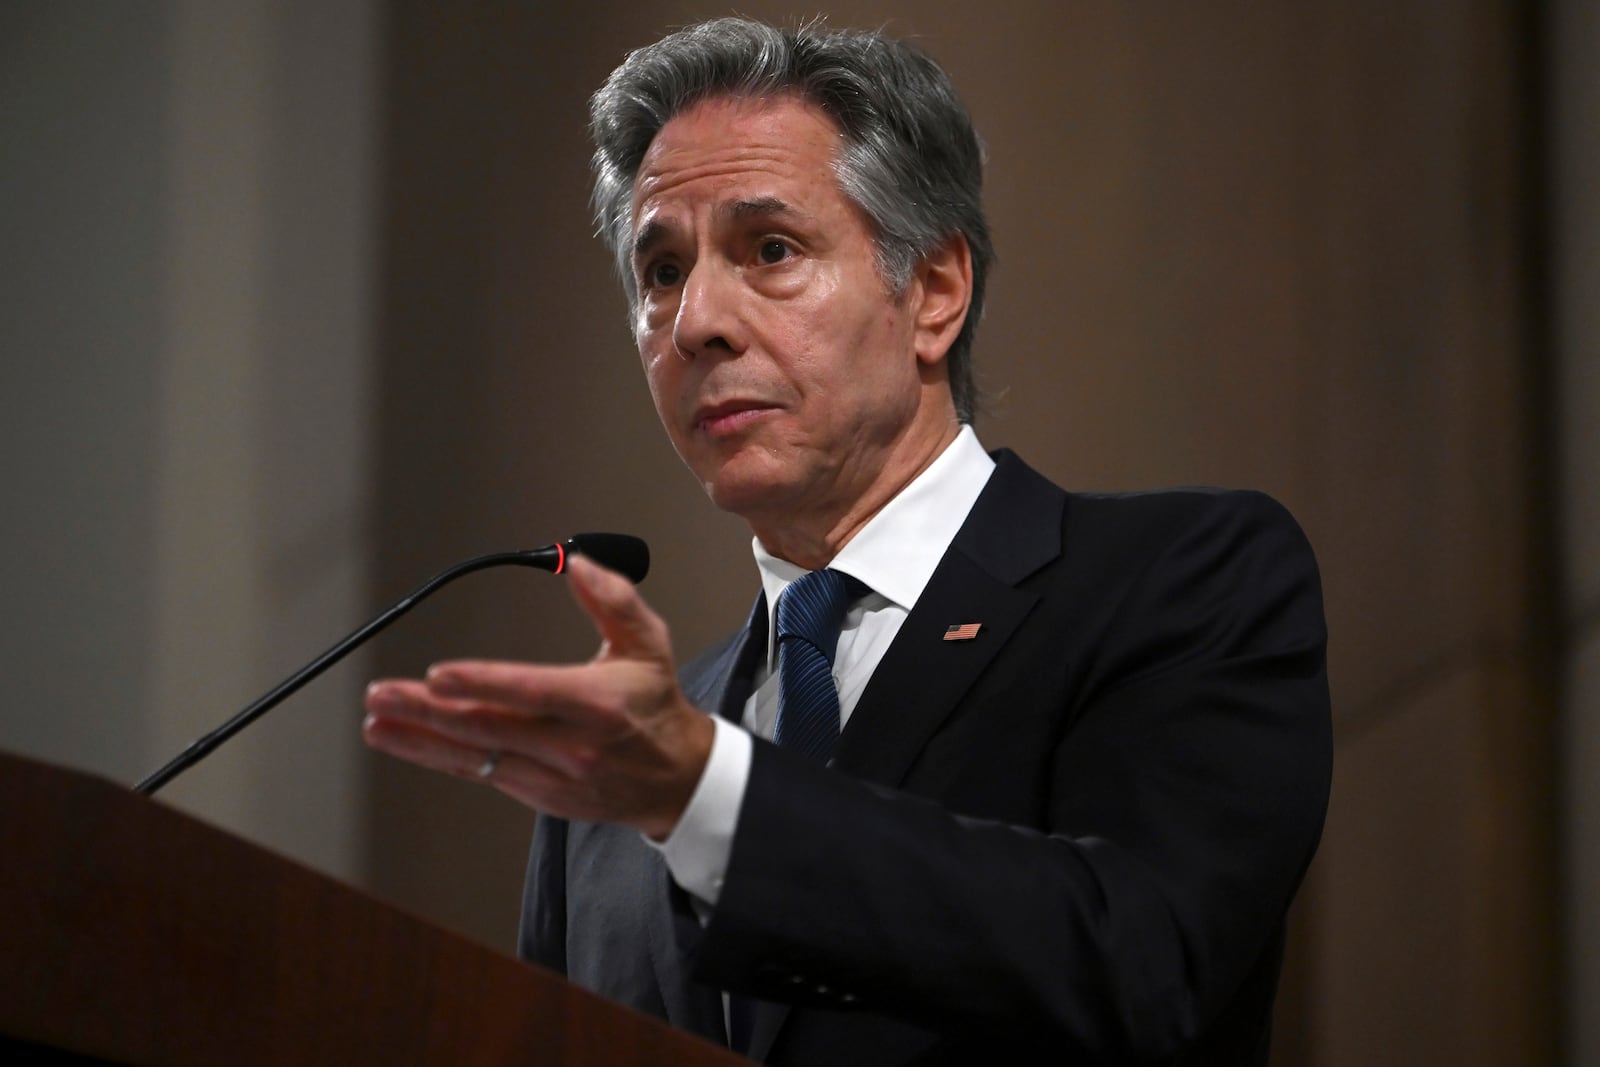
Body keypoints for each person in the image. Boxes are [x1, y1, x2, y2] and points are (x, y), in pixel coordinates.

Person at [362, 16, 1332, 1066]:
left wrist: (710, 798)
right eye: (659, 271)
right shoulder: (605, 802)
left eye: (769, 249)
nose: (695, 322)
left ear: (933, 292)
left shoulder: (1179, 579)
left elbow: (1144, 958)